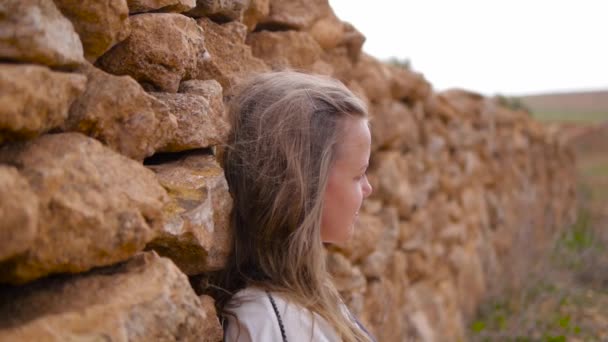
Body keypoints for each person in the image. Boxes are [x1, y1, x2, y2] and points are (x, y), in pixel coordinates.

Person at [209, 71, 375, 342]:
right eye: (358, 175)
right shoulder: (262, 322)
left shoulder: (312, 296)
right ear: (307, 186)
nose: (368, 189)